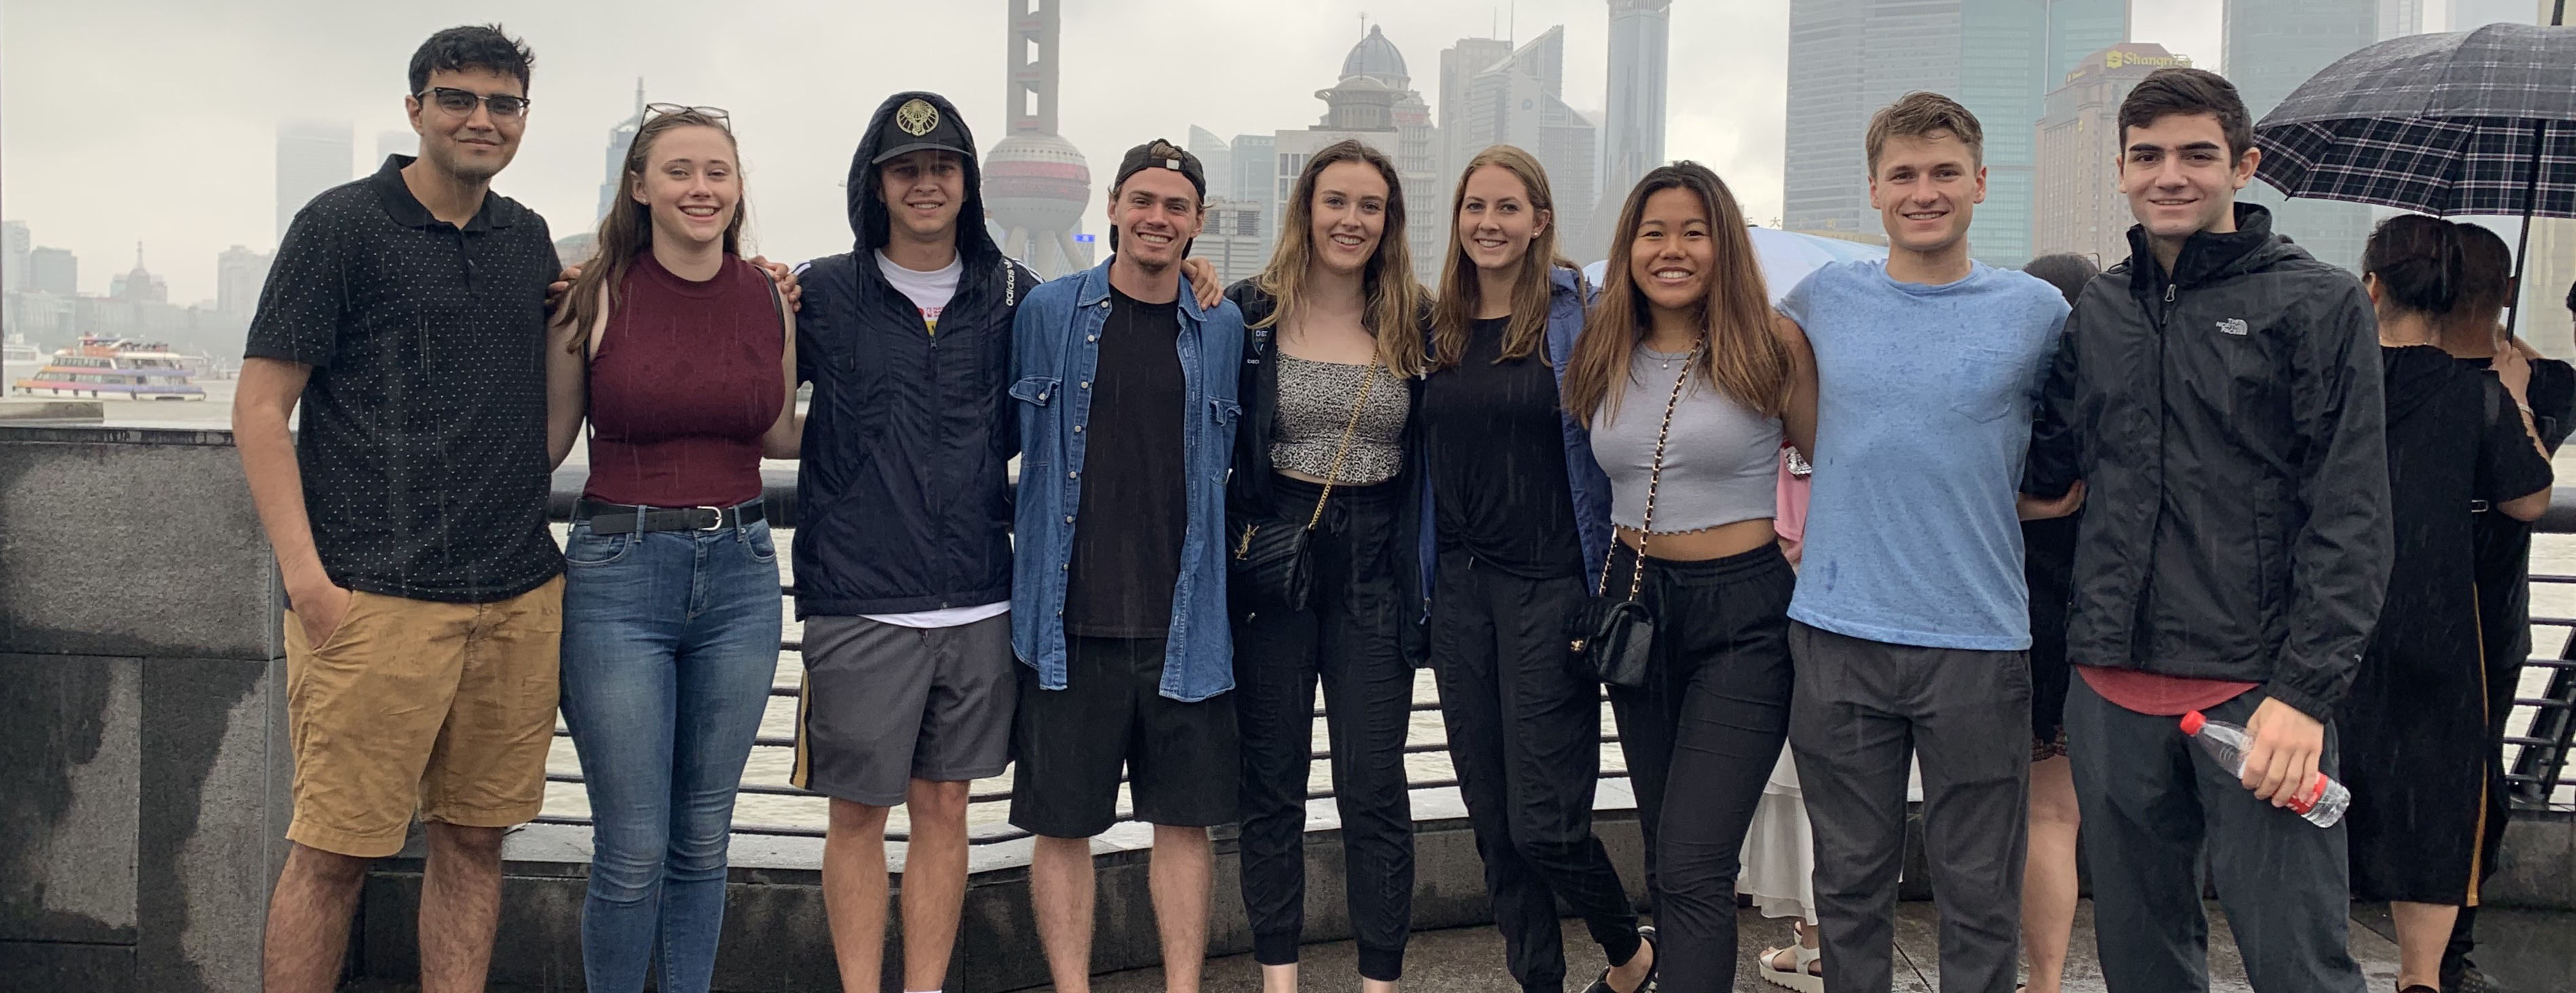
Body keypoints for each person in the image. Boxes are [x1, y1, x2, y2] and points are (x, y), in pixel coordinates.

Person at [2023, 66, 2390, 993]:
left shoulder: (2317, 303)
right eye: (2147, 156)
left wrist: (2307, 694)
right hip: (2109, 684)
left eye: (2197, 154)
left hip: (2256, 693)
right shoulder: (2098, 309)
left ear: (2244, 165)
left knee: (2298, 961)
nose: (2169, 176)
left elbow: (2351, 514)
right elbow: (2044, 472)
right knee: (2141, 962)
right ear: (2120, 170)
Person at [235, 26, 564, 993]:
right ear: (415, 108)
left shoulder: (526, 238)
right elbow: (260, 410)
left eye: (503, 105)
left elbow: (546, 407)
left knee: (475, 844)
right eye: (458, 99)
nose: (482, 119)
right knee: (332, 855)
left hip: (514, 597)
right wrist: (308, 585)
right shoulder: (340, 227)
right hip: (372, 600)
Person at [1775, 92, 2075, 993]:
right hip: (1836, 630)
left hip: (1978, 640)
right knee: (1850, 885)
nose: (1924, 191)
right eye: (1903, 174)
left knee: (1979, 892)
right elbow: (1765, 396)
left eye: (1945, 172)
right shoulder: (1821, 297)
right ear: (1873, 190)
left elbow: (2076, 458)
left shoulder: (2039, 311)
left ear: (1980, 183)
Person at [538, 102, 796, 993]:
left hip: (744, 577)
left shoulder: (768, 295)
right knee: (634, 847)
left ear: (736, 189)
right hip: (618, 576)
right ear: (640, 186)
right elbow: (545, 443)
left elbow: (777, 435)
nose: (700, 188)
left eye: (716, 172)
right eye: (679, 170)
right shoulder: (595, 294)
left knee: (703, 839)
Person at [1559, 161, 1813, 992]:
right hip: (1634, 604)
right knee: (1668, 857)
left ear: (1724, 245)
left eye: (1694, 232)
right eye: (1653, 232)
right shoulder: (1602, 344)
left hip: (1742, 611)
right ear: (1628, 246)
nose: (1672, 250)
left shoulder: (1769, 342)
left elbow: (1835, 468)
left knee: (1696, 863)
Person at [1007, 139, 1247, 993]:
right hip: (1066, 621)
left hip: (1188, 625)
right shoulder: (1045, 314)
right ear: (1110, 206)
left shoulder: (1221, 326)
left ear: (1197, 223)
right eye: (1142, 201)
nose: (1157, 218)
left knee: (1185, 827)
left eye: (1175, 207)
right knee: (1061, 828)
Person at [1419, 144, 1656, 993]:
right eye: (1474, 206)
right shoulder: (1429, 323)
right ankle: (1539, 982)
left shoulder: (1579, 314)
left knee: (1545, 822)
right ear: (1457, 219)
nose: (1489, 223)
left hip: (1553, 592)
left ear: (1540, 221)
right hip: (1457, 594)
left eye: (1507, 208)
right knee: (1491, 819)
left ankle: (1629, 953)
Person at [1223, 139, 1425, 993]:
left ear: (1389, 222)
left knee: (1373, 786)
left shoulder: (1416, 320)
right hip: (1275, 557)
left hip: (1376, 561)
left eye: (1369, 206)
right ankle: (1279, 977)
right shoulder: (1247, 313)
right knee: (1271, 783)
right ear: (1305, 208)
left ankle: (1380, 981)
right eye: (1335, 201)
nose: (1351, 220)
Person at [2343, 215, 2554, 993]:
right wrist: (2515, 396)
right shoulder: (2473, 394)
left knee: (2314, 787)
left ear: (2370, 288)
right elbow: (2528, 499)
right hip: (2437, 618)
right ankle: (2420, 979)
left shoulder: (2334, 379)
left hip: (2333, 616)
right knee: (2433, 797)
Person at [2438, 222, 2576, 993]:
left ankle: (2451, 941)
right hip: (2435, 608)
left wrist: (2511, 393)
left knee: (2475, 777)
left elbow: (2527, 484)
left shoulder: (2543, 384)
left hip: (2487, 614)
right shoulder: (2411, 377)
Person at [2012, 250, 2100, 993]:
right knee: (2056, 817)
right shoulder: (2109, 395)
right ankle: (2045, 981)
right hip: (2092, 621)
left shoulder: (2013, 403)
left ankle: (2020, 975)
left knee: (1997, 817)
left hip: (2005, 615)